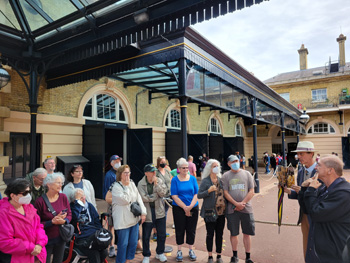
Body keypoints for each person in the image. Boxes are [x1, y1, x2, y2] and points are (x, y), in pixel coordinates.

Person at [302, 155, 350, 263]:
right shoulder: (324, 188)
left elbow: (316, 214)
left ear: (330, 170)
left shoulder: (344, 193)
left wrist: (310, 191)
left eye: (319, 165)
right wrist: (304, 190)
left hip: (334, 255)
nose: (315, 167)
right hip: (320, 252)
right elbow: (307, 209)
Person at [284, 141, 317, 261]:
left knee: (318, 245)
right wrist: (288, 191)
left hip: (318, 214)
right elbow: (300, 194)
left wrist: (303, 191)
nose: (298, 157)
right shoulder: (301, 171)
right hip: (304, 214)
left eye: (302, 154)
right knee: (306, 244)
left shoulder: (321, 170)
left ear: (311, 153)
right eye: (298, 154)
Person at [0, 179, 48, 263]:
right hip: (17, 258)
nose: (28, 195)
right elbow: (5, 242)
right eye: (25, 193)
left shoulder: (29, 207)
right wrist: (31, 247)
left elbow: (39, 227)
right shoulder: (3, 213)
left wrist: (40, 244)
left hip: (36, 255)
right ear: (13, 195)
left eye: (29, 192)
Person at [222, 155, 255, 263]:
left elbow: (251, 190)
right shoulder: (226, 176)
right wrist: (236, 204)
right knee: (234, 233)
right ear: (228, 164)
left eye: (237, 160)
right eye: (233, 161)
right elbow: (225, 192)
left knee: (247, 233)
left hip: (246, 208)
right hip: (232, 209)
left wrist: (243, 203)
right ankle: (234, 255)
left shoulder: (247, 174)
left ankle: (248, 256)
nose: (235, 163)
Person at [111, 165, 146, 263]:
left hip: (133, 219)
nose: (127, 175)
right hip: (122, 221)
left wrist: (143, 212)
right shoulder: (116, 186)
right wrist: (127, 188)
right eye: (125, 173)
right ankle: (121, 261)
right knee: (123, 244)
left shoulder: (132, 183)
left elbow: (138, 198)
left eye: (128, 172)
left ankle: (128, 261)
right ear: (120, 174)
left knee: (133, 243)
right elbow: (125, 200)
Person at [35, 173, 72, 263]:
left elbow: (69, 214)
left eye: (61, 183)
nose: (60, 185)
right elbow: (36, 224)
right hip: (46, 239)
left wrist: (64, 221)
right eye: (58, 183)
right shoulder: (39, 202)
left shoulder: (63, 197)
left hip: (61, 237)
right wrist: (51, 222)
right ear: (49, 184)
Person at [138, 164, 168, 263]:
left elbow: (163, 193)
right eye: (152, 171)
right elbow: (142, 198)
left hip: (159, 211)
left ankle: (160, 253)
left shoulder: (159, 180)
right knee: (146, 236)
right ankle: (146, 255)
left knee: (162, 234)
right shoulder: (141, 183)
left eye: (154, 171)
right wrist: (154, 196)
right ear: (146, 173)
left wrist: (157, 185)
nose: (154, 173)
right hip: (147, 212)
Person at [171, 157, 199, 262]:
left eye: (187, 168)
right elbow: (174, 195)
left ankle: (191, 250)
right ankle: (179, 250)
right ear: (178, 168)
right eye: (183, 168)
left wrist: (190, 207)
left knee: (191, 229)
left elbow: (196, 193)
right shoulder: (174, 180)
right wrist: (185, 208)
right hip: (179, 208)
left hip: (193, 207)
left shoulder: (193, 178)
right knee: (180, 229)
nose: (186, 170)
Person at [198, 159, 226, 263]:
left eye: (217, 166)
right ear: (210, 168)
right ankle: (210, 256)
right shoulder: (205, 181)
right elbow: (199, 195)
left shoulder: (220, 180)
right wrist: (208, 191)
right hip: (210, 212)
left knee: (220, 234)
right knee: (210, 234)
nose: (216, 168)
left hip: (221, 212)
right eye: (214, 166)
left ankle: (219, 256)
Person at [70, 188, 108, 263]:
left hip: (93, 235)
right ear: (75, 199)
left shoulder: (89, 206)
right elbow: (74, 217)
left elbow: (97, 222)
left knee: (104, 252)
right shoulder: (73, 207)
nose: (83, 198)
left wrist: (99, 234)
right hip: (81, 238)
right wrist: (78, 204)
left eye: (83, 196)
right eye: (80, 197)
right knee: (94, 253)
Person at [103, 154, 122, 258]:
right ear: (111, 163)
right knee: (111, 225)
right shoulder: (109, 175)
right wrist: (111, 201)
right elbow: (106, 191)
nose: (118, 163)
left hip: (121, 204)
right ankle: (111, 246)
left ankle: (119, 245)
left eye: (119, 161)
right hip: (113, 203)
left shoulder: (121, 173)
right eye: (116, 161)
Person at [155, 156, 172, 239]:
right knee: (158, 214)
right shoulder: (156, 172)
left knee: (165, 213)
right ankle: (155, 232)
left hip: (168, 195)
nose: (164, 163)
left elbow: (171, 180)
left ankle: (162, 231)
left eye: (164, 162)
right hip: (160, 196)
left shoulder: (167, 171)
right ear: (159, 162)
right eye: (162, 162)